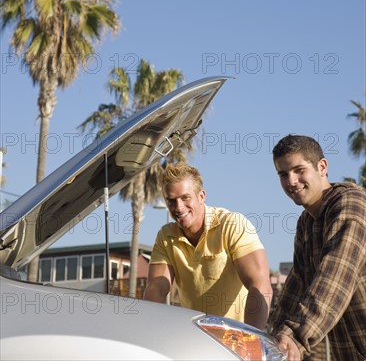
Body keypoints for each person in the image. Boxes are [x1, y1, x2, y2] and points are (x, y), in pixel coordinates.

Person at [271, 134, 366, 361]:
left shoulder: (350, 204)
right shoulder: (306, 223)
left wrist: (295, 337)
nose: (291, 181)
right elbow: (296, 288)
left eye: (299, 170)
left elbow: (336, 277)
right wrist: (273, 340)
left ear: (322, 166)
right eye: (283, 174)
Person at [143, 163, 273, 329]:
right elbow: (156, 289)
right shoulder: (165, 236)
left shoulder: (232, 224)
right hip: (195, 339)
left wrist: (250, 340)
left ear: (202, 196)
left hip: (236, 337)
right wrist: (149, 330)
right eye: (171, 201)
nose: (178, 207)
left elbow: (260, 284)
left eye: (185, 197)